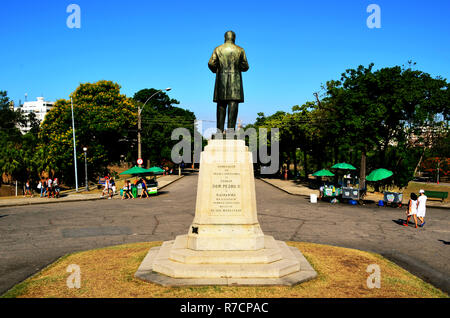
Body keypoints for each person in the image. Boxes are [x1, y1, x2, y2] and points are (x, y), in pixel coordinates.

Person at [208, 30, 249, 132]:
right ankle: (231, 131)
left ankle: (219, 131)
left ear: (225, 37)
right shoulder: (240, 50)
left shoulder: (218, 49)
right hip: (236, 80)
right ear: (234, 38)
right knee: (233, 104)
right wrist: (237, 67)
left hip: (221, 79)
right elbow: (245, 66)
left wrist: (217, 70)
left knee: (221, 105)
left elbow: (211, 63)